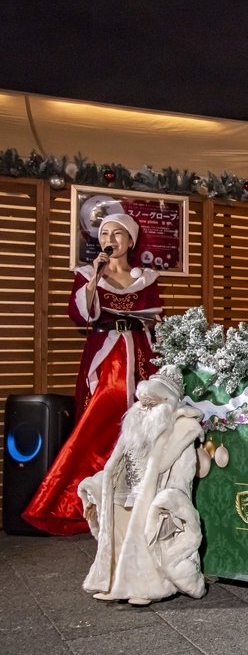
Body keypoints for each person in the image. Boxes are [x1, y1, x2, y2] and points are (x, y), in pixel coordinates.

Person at [22, 213, 162, 535]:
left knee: (143, 423)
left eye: (117, 233)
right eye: (104, 234)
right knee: (98, 424)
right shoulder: (89, 274)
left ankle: (133, 502)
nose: (109, 239)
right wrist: (94, 279)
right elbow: (79, 314)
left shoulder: (147, 278)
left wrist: (151, 325)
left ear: (130, 240)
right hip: (107, 356)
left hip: (139, 352)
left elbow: (155, 316)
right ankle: (74, 501)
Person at [78, 365, 206, 605]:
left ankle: (147, 587)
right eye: (143, 402)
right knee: (121, 531)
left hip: (154, 491)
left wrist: (173, 499)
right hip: (127, 488)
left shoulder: (182, 430)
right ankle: (115, 581)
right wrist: (98, 483)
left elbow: (184, 471)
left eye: (152, 403)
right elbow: (116, 463)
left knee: (145, 534)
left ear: (168, 403)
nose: (144, 407)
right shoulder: (134, 423)